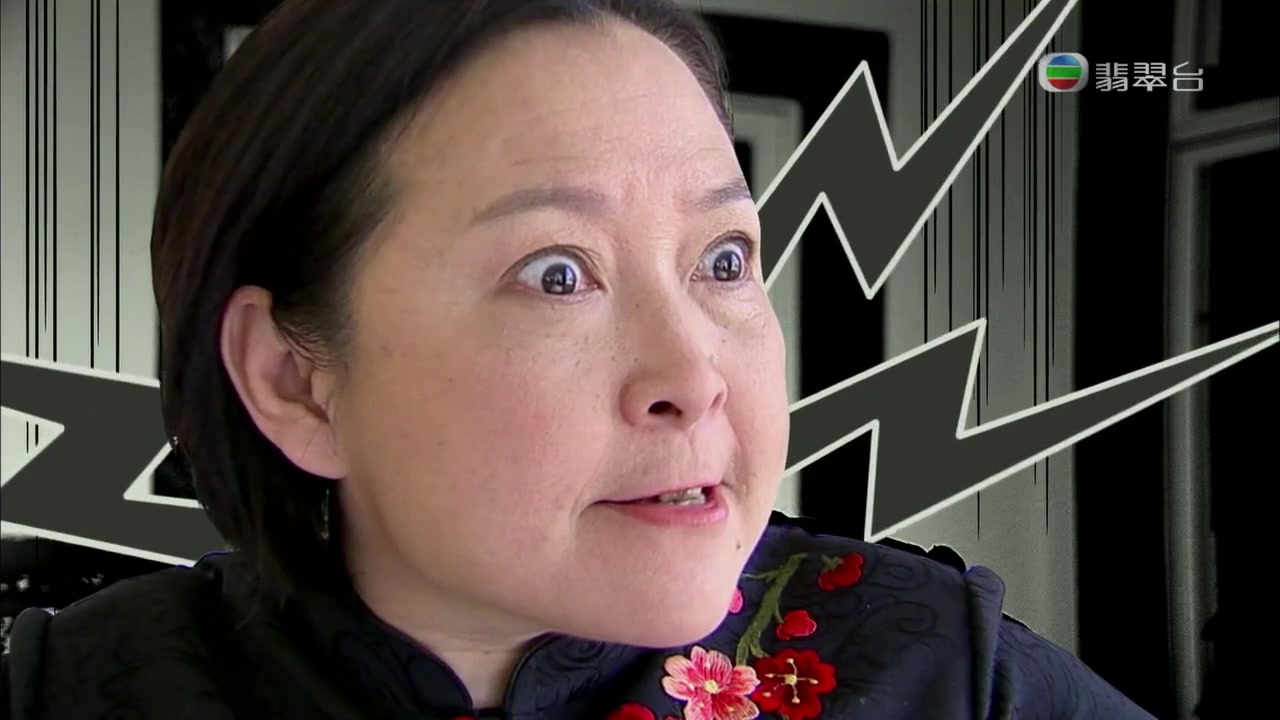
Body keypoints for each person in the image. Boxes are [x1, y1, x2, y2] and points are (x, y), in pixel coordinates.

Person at [1, 1, 1157, 718]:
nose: (693, 378)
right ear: (296, 380)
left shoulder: (944, 672)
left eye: (722, 259)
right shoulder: (72, 690)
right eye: (557, 274)